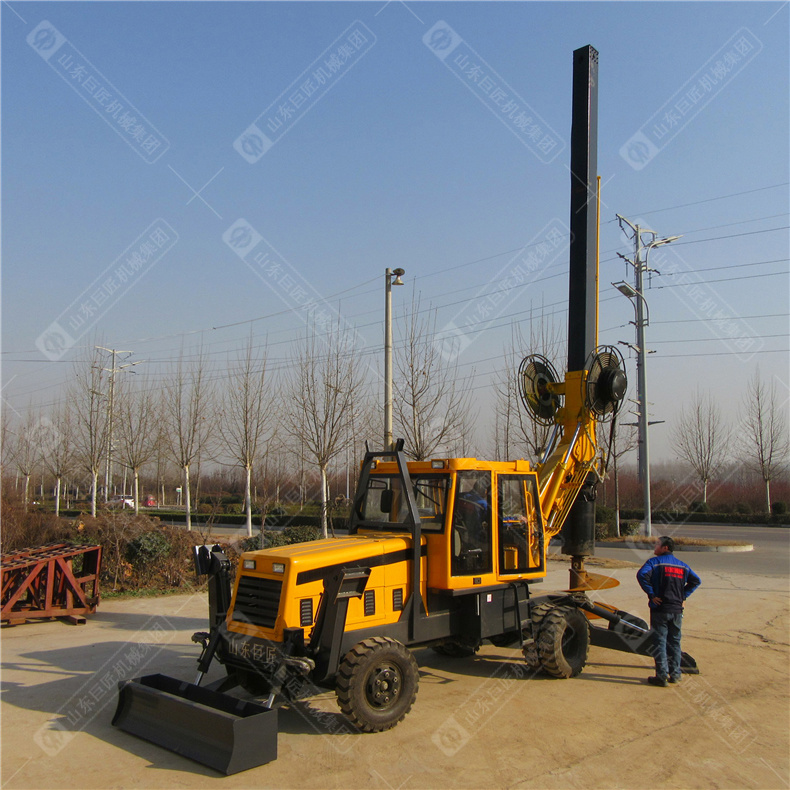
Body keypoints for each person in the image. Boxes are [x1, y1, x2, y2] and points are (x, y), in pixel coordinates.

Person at [636, 536, 701, 687]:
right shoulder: (683, 566)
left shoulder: (654, 563)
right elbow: (696, 581)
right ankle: (676, 674)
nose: (655, 546)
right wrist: (683, 596)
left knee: (660, 642)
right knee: (675, 642)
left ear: (665, 547)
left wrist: (652, 594)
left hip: (660, 609)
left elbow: (641, 575)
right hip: (677, 610)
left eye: (657, 544)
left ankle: (661, 676)